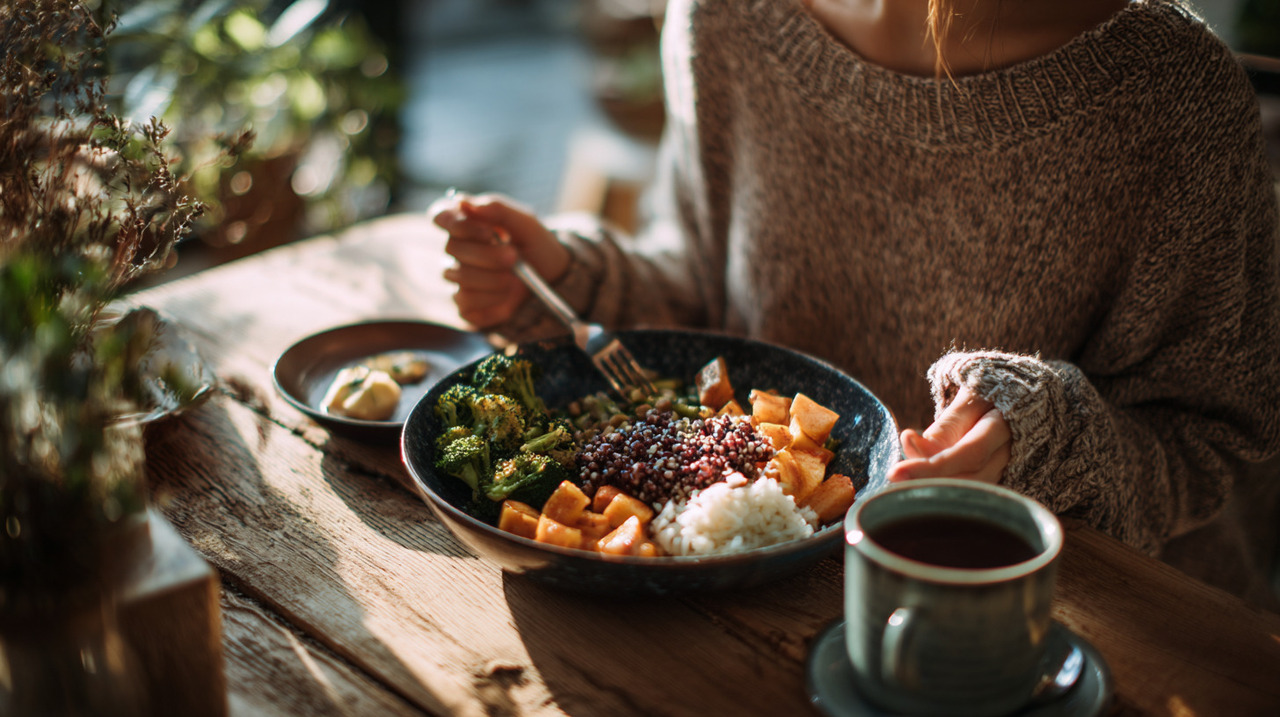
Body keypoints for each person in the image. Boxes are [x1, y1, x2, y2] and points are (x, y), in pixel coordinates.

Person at [431, 0, 1280, 604]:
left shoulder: (1173, 92)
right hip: (761, 599)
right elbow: (703, 283)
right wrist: (569, 281)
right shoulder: (723, 18)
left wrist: (1045, 437)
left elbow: (1215, 437)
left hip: (1079, 626)